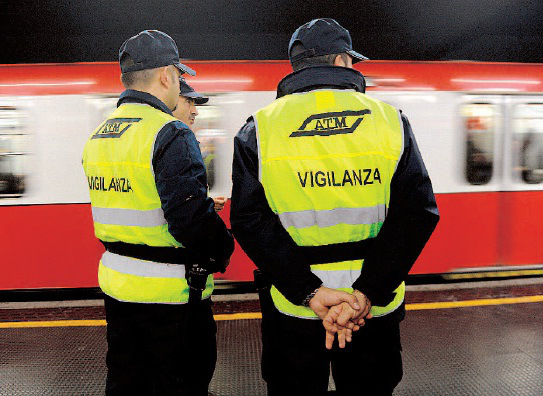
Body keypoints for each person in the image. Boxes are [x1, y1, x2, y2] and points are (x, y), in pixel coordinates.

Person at [230, 18, 439, 395]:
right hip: (371, 310)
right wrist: (366, 292)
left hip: (295, 309)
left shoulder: (258, 129)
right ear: (343, 61)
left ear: (296, 67)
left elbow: (248, 221)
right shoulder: (390, 120)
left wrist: (310, 291)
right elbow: (417, 213)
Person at [82, 30, 234, 396]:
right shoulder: (170, 132)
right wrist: (223, 248)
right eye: (179, 76)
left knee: (126, 383)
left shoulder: (101, 135)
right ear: (167, 76)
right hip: (170, 299)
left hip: (119, 289)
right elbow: (188, 219)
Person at [173, 79, 226, 212]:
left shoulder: (179, 141)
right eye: (188, 102)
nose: (195, 111)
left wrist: (205, 204)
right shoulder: (172, 144)